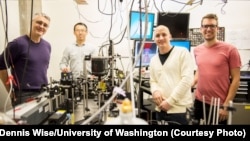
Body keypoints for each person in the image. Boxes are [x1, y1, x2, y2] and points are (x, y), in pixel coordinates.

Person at [192, 13, 241, 125]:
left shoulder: (230, 50)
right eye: (205, 26)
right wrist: (192, 82)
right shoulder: (197, 50)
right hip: (199, 101)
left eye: (212, 26)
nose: (208, 29)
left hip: (219, 104)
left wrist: (226, 104)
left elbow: (236, 79)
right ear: (201, 29)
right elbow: (200, 69)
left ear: (217, 29)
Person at [0, 12, 51, 105]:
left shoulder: (47, 46)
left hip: (44, 92)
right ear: (31, 23)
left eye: (45, 25)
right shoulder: (18, 44)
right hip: (24, 95)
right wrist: (10, 91)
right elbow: (1, 66)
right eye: (39, 22)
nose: (42, 26)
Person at [149, 25, 194, 125]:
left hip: (178, 111)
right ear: (154, 39)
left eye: (164, 34)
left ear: (170, 36)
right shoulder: (153, 60)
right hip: (160, 109)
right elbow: (153, 81)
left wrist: (170, 101)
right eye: (157, 35)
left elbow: (187, 80)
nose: (161, 38)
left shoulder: (182, 53)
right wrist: (155, 91)